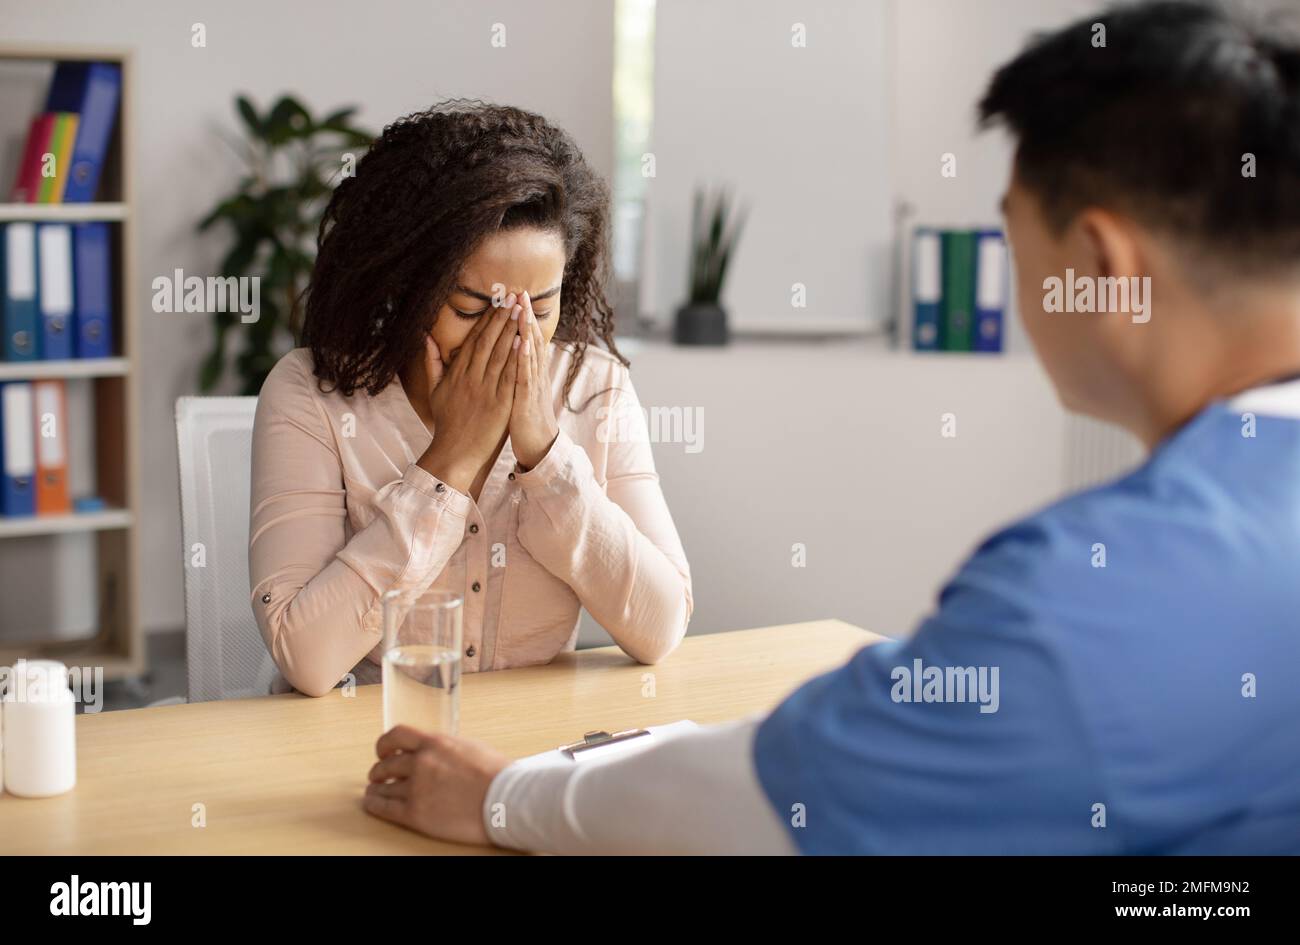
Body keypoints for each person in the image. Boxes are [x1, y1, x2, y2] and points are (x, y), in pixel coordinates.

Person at [363, 1, 1300, 854]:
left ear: (1097, 264)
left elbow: (788, 800)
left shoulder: (1096, 591)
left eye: (1012, 238)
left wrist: (505, 797)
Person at [249, 102, 692, 698]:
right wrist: (449, 464)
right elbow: (306, 659)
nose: (512, 337)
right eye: (468, 310)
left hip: (528, 751)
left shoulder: (594, 388)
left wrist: (547, 457)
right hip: (360, 742)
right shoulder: (311, 394)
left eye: (540, 308)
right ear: (404, 285)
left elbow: (660, 629)